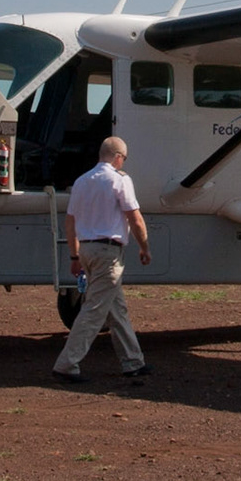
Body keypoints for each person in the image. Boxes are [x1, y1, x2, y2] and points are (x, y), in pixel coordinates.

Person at [53, 136, 151, 383]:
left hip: (86, 250)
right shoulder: (120, 180)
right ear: (118, 157)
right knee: (94, 311)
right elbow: (134, 217)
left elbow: (70, 221)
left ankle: (133, 362)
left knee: (116, 309)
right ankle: (67, 364)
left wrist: (74, 255)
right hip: (108, 252)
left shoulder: (82, 181)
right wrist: (144, 247)